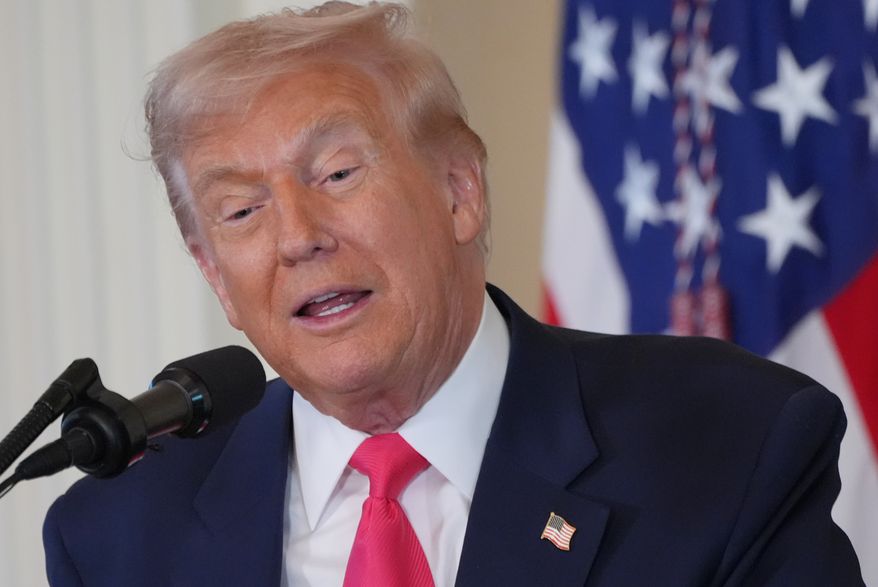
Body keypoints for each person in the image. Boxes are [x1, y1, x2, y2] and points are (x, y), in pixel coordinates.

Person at [42, 2, 864, 586]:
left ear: (460, 189)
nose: (297, 235)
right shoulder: (119, 535)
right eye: (241, 211)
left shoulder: (728, 444)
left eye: (336, 172)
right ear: (214, 273)